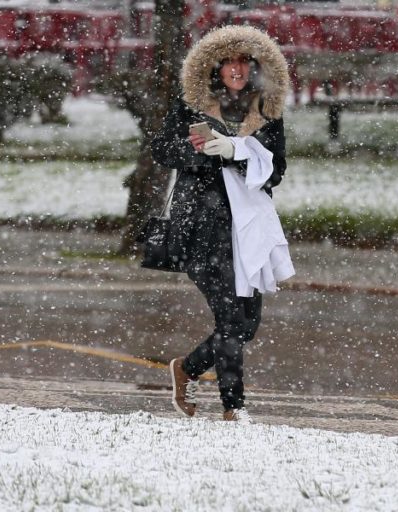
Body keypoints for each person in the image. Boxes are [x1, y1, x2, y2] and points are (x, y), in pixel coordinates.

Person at [150, 25, 290, 424]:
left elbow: (276, 170)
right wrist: (204, 152)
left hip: (248, 229)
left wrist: (237, 153)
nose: (237, 69)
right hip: (200, 226)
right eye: (228, 61)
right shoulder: (191, 106)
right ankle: (234, 407)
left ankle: (188, 368)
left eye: (244, 61)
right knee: (230, 319)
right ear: (214, 68)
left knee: (247, 325)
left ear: (256, 66)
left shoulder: (267, 113)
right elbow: (163, 149)